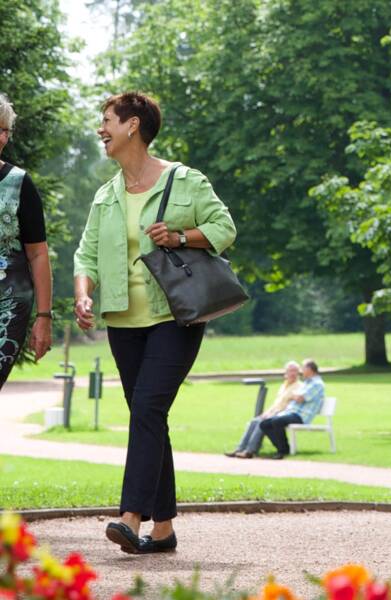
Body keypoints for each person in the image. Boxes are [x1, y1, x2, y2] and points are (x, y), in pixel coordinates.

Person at [73, 91, 236, 555]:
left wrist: (183, 235)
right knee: (149, 416)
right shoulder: (107, 195)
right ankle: (162, 530)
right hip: (123, 321)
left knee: (146, 410)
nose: (101, 129)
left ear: (133, 126)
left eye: (107, 120)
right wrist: (84, 295)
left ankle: (129, 517)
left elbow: (225, 229)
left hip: (175, 316)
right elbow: (86, 255)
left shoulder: (185, 181)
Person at [0, 93, 52, 389]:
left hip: (7, 309)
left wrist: (43, 317)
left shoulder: (19, 184)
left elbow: (38, 255)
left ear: (5, 136)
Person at [225, 361, 303, 459]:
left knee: (261, 422)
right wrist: (266, 412)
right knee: (254, 421)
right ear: (285, 373)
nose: (293, 373)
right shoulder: (284, 385)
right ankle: (240, 449)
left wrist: (272, 414)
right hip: (274, 412)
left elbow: (290, 406)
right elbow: (276, 403)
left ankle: (250, 451)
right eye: (290, 371)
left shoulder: (299, 386)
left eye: (295, 371)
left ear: (298, 372)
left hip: (282, 415)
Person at [259, 358, 325, 459]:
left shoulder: (317, 384)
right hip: (291, 412)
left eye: (303, 367)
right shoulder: (307, 383)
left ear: (310, 369)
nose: (300, 371)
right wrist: (294, 396)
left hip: (301, 416)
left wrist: (293, 396)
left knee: (277, 421)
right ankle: (283, 448)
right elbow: (296, 396)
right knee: (264, 424)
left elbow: (300, 398)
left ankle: (282, 451)